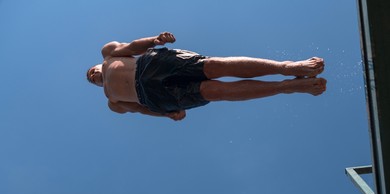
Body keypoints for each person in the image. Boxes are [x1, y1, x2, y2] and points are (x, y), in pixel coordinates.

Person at [86, 32, 326, 121]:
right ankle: (287, 87)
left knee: (213, 66)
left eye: (91, 72)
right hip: (154, 96)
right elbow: (139, 109)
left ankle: (287, 67)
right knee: (215, 92)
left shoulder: (108, 55)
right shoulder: (113, 103)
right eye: (91, 80)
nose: (93, 76)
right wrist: (166, 114)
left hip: (152, 65)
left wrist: (154, 40)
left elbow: (131, 47)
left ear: (97, 65)